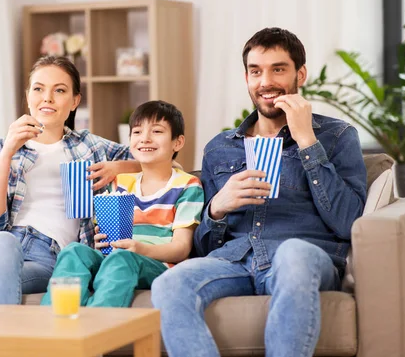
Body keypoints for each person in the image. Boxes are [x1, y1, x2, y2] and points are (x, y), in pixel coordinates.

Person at [151, 28, 367, 357]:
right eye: (256, 71)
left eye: (278, 69)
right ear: (247, 77)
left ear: (301, 74)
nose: (265, 82)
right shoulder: (219, 148)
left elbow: (349, 222)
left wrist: (307, 140)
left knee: (294, 254)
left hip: (302, 258)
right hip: (233, 261)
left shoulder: (337, 136)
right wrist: (217, 209)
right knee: (169, 283)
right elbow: (204, 246)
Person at [0, 56, 141, 304]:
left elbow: (163, 162)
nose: (47, 98)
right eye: (39, 89)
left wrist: (118, 167)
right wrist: (7, 154)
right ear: (28, 96)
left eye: (59, 90)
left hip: (46, 257)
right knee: (4, 244)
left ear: (74, 101)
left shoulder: (90, 147)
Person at [40, 100, 204, 308]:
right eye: (136, 132)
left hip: (157, 265)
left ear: (177, 142)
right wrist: (103, 240)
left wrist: (140, 249)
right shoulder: (121, 183)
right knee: (74, 251)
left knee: (122, 259)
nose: (145, 138)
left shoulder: (187, 185)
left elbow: (181, 249)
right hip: (117, 256)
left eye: (156, 131)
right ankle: (52, 324)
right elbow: (107, 239)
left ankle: (97, 331)